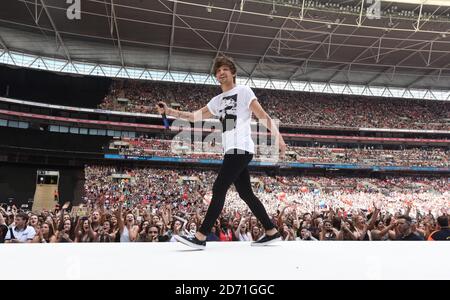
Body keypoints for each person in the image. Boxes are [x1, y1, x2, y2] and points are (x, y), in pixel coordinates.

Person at [157, 56, 286, 249]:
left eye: (225, 69)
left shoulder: (243, 91)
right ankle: (271, 231)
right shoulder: (217, 101)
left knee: (218, 189)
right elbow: (193, 117)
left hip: (240, 148)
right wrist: (170, 111)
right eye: (218, 71)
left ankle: (200, 236)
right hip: (231, 151)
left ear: (233, 72)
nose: (221, 72)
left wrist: (278, 137)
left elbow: (262, 115)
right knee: (246, 194)